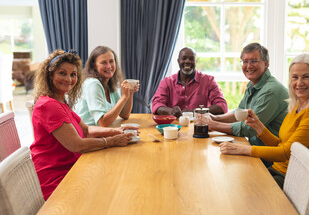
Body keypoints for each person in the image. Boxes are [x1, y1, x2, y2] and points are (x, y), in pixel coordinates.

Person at [30, 50, 137, 200]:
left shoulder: (59, 101)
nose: (68, 79)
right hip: (59, 180)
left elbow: (86, 130)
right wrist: (111, 141)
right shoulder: (48, 105)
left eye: (73, 74)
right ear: (50, 75)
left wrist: (117, 130)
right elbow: (77, 145)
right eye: (62, 73)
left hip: (73, 167)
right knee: (118, 187)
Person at [219, 53, 309, 188]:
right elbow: (281, 145)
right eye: (294, 77)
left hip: (296, 182)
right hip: (280, 172)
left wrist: (242, 149)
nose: (299, 83)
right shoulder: (298, 105)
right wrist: (259, 127)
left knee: (238, 187)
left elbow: (286, 153)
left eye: (306, 77)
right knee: (232, 178)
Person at [209, 43, 289, 148]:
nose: (249, 66)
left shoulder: (271, 91)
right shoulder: (253, 84)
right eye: (245, 61)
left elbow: (250, 129)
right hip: (255, 149)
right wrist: (214, 118)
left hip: (270, 157)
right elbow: (240, 114)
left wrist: (213, 125)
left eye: (254, 61)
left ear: (266, 64)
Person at [151, 47, 228, 117]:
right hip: (172, 126)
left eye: (191, 59)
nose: (187, 61)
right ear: (178, 61)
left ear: (196, 61)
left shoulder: (209, 81)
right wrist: (171, 111)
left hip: (200, 125)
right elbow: (156, 105)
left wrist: (196, 112)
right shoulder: (166, 82)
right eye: (184, 58)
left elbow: (222, 106)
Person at [75, 46, 139, 127]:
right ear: (94, 65)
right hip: (87, 135)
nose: (109, 66)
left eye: (111, 61)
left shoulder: (108, 83)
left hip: (100, 133)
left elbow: (124, 115)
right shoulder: (93, 84)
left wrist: (130, 93)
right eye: (103, 63)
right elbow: (103, 123)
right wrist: (124, 97)